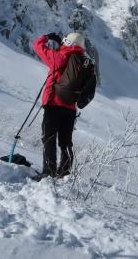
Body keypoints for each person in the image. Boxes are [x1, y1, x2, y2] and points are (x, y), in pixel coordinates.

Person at [32, 31, 87, 178]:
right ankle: (64, 173)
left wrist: (47, 37)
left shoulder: (60, 57)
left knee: (49, 137)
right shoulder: (83, 61)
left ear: (67, 42)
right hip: (70, 107)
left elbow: (37, 45)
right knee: (66, 141)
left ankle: (49, 171)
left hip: (54, 104)